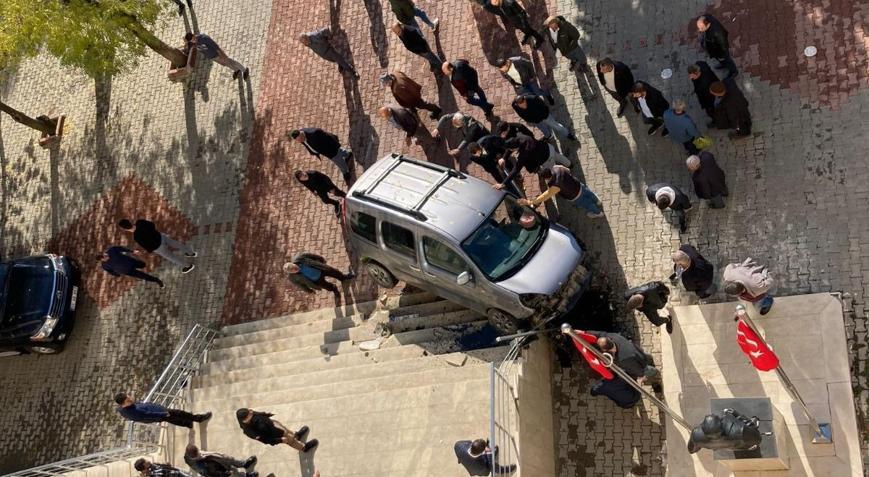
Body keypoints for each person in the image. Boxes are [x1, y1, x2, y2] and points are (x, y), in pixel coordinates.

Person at [586, 330, 663, 393]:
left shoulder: (623, 359)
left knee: (647, 372)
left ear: (605, 350)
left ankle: (655, 377)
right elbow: (601, 334)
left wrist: (641, 377)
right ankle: (650, 361)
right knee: (646, 358)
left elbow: (638, 370)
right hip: (638, 353)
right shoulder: (613, 336)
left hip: (641, 364)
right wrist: (585, 333)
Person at [519, 165, 604, 218]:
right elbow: (568, 170)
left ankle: (598, 213)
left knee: (587, 204)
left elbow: (545, 196)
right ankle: (597, 201)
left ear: (546, 178)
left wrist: (530, 201)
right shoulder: (556, 168)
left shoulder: (554, 185)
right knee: (589, 193)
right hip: (579, 185)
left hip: (575, 196)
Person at [495, 133, 571, 190]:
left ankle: (563, 178)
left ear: (515, 148)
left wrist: (503, 184)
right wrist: (504, 158)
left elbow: (516, 169)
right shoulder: (519, 137)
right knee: (558, 157)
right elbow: (510, 147)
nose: (511, 151)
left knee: (552, 170)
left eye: (512, 150)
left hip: (546, 158)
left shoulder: (525, 152)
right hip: (547, 147)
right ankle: (569, 164)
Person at [118, 219, 196, 273]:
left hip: (158, 247)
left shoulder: (136, 236)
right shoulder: (140, 222)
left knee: (172, 257)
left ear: (126, 229)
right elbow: (152, 225)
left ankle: (188, 266)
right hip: (160, 236)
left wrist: (151, 251)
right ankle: (191, 253)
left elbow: (147, 246)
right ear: (130, 221)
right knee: (177, 244)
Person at [236, 408, 318, 453]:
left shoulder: (248, 413)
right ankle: (304, 448)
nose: (251, 412)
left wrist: (267, 414)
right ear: (245, 420)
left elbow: (257, 413)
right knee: (290, 441)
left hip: (272, 424)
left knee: (287, 430)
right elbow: (265, 440)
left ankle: (297, 436)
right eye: (249, 414)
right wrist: (280, 440)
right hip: (276, 434)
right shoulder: (251, 432)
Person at [115, 392, 211, 428]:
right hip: (160, 413)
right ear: (123, 403)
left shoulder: (121, 409)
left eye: (129, 396)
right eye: (128, 400)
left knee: (173, 419)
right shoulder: (134, 412)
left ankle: (187, 424)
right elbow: (149, 415)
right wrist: (164, 414)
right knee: (179, 413)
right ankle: (198, 418)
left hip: (158, 412)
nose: (131, 399)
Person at [511, 93, 576, 142]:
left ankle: (567, 134)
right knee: (543, 129)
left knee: (556, 126)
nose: (523, 106)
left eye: (524, 104)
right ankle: (548, 136)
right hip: (535, 121)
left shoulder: (533, 99)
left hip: (544, 117)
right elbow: (520, 114)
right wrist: (529, 120)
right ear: (517, 104)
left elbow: (543, 105)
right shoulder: (515, 105)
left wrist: (545, 115)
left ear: (525, 99)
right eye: (521, 106)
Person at [284, 252, 355, 295]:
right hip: (316, 281)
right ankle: (334, 289)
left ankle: (343, 278)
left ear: (293, 263)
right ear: (291, 272)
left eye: (294, 267)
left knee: (335, 272)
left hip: (321, 269)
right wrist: (310, 291)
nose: (295, 269)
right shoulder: (292, 278)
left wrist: (321, 259)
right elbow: (300, 286)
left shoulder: (300, 258)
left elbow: (311, 255)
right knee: (328, 287)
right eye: (293, 270)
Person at [97, 246, 164, 288]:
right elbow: (110, 271)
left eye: (105, 255)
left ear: (103, 253)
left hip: (132, 262)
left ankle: (146, 264)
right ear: (101, 260)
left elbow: (122, 248)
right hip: (128, 271)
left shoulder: (112, 250)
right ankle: (157, 280)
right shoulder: (105, 265)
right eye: (104, 258)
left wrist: (132, 251)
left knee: (143, 265)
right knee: (143, 276)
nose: (106, 257)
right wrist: (117, 275)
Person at [184, 444, 257, 477]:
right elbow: (212, 473)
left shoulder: (189, 453)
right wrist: (226, 474)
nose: (199, 451)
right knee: (233, 472)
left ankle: (244, 464)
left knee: (228, 459)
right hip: (218, 469)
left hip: (214, 459)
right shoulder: (202, 466)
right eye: (198, 451)